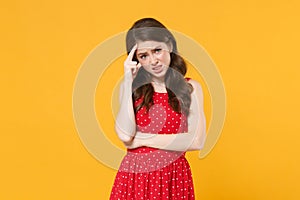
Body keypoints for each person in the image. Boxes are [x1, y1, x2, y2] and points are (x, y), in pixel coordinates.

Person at [110, 18, 206, 200]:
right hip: (135, 178)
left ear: (169, 45)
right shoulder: (130, 87)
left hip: (174, 178)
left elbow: (196, 141)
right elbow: (124, 136)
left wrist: (142, 140)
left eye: (157, 50)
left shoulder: (191, 88)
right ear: (135, 59)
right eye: (143, 56)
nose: (153, 60)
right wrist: (128, 79)